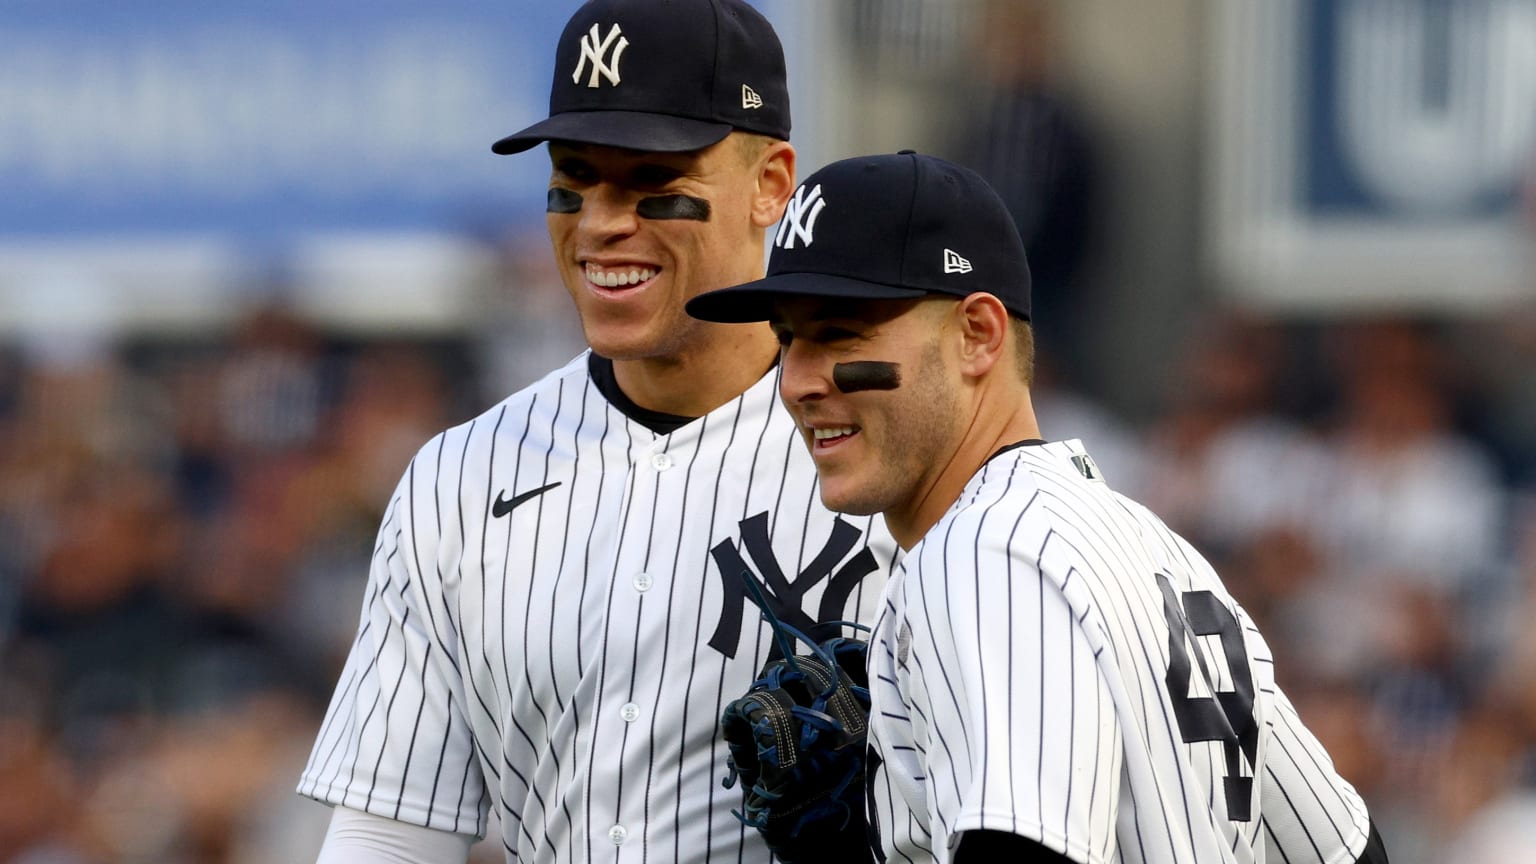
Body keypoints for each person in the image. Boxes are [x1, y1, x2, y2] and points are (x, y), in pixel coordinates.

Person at [296, 2, 896, 861]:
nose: (604, 221)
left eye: (653, 179)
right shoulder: (457, 481)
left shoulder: (891, 468)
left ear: (771, 185)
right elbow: (390, 832)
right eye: (576, 176)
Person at [687, 152, 1389, 863]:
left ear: (978, 335)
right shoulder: (1161, 551)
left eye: (839, 334)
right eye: (787, 339)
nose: (798, 381)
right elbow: (1351, 851)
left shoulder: (984, 554)